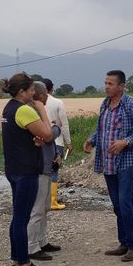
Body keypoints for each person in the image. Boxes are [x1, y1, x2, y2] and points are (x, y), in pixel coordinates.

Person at [83, 70, 133, 261]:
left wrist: (125, 142)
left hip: (125, 163)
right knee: (117, 205)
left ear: (121, 86)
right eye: (105, 83)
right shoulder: (105, 104)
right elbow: (102, 129)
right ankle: (124, 243)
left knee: (125, 203)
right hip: (108, 163)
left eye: (110, 84)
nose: (106, 87)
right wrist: (91, 140)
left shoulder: (131, 104)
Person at [1, 72, 53, 266]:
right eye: (31, 90)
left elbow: (22, 135)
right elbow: (48, 134)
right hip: (26, 171)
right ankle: (25, 265)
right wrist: (41, 109)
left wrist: (35, 141)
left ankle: (16, 262)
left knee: (18, 217)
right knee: (22, 219)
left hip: (14, 168)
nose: (34, 93)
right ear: (22, 91)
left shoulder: (9, 108)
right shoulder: (24, 109)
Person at [27, 82, 63, 261]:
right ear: (42, 96)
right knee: (37, 210)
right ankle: (32, 247)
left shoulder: (37, 112)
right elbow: (47, 135)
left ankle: (42, 241)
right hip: (39, 168)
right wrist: (57, 127)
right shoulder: (32, 113)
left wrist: (55, 153)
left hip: (47, 166)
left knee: (44, 208)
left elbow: (47, 138)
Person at [42, 78, 73, 210]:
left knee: (42, 170)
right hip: (57, 141)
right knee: (54, 169)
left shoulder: (33, 103)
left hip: (41, 141)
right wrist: (69, 143)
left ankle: (42, 200)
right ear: (52, 88)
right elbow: (64, 124)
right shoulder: (58, 102)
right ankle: (53, 201)